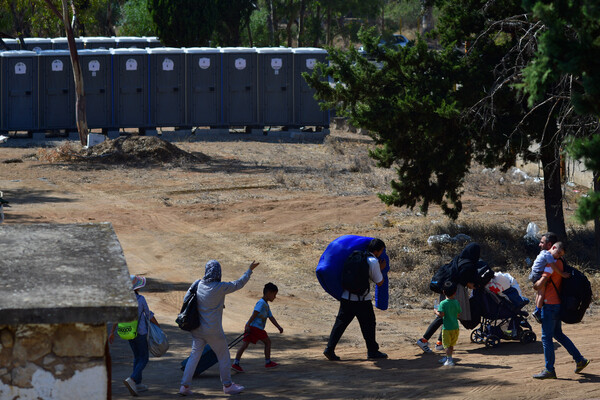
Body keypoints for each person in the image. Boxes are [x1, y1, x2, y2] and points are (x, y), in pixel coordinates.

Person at [178, 259, 260, 396]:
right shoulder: (220, 287)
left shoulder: (198, 284)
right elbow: (239, 283)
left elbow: (186, 299)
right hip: (213, 331)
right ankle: (227, 385)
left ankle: (184, 386)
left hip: (197, 329)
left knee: (194, 357)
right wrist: (249, 270)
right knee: (223, 356)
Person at [323, 238, 388, 361]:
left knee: (340, 324)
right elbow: (379, 282)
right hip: (362, 300)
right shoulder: (373, 261)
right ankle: (372, 351)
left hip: (346, 296)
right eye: (382, 251)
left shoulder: (355, 255)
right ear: (378, 251)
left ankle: (329, 349)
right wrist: (381, 268)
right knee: (369, 324)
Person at [532, 250, 590, 379]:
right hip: (557, 305)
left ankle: (549, 370)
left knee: (546, 338)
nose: (541, 246)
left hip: (550, 306)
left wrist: (535, 284)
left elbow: (540, 284)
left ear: (550, 245)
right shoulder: (561, 262)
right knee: (558, 334)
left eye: (543, 243)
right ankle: (580, 360)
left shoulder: (551, 265)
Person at [416, 242, 480, 353]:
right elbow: (465, 280)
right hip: (456, 292)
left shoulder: (458, 259)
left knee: (449, 317)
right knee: (443, 317)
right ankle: (423, 340)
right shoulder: (469, 264)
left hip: (447, 289)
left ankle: (440, 343)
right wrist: (472, 284)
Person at [109, 275, 161, 397]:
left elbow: (117, 317)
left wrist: (112, 332)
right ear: (137, 287)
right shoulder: (141, 299)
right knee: (144, 358)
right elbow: (148, 315)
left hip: (128, 332)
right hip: (140, 333)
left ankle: (137, 384)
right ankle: (132, 379)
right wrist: (158, 327)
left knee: (137, 356)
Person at [232, 282, 284, 372]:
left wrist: (278, 327)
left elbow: (271, 317)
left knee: (245, 345)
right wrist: (248, 324)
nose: (275, 297)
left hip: (252, 327)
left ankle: (236, 363)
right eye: (274, 295)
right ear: (269, 293)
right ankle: (268, 362)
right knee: (268, 342)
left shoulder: (265, 304)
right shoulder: (261, 303)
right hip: (255, 328)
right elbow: (255, 313)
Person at [530, 239, 568, 323]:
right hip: (538, 274)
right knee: (541, 293)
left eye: (560, 256)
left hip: (534, 274)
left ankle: (537, 309)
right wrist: (562, 274)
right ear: (553, 247)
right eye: (558, 253)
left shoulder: (544, 253)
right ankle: (538, 311)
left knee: (539, 293)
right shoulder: (549, 255)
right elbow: (553, 267)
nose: (558, 257)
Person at [436, 281, 461, 366]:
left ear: (443, 292)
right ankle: (448, 357)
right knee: (451, 344)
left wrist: (436, 311)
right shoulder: (456, 302)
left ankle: (449, 360)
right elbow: (458, 314)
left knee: (446, 345)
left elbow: (441, 314)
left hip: (447, 328)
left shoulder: (443, 303)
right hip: (455, 327)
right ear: (455, 292)